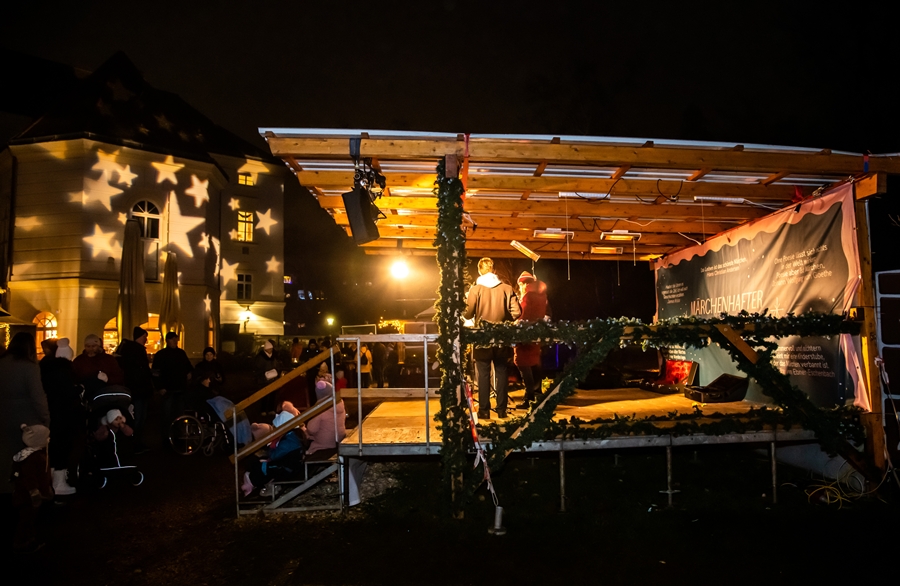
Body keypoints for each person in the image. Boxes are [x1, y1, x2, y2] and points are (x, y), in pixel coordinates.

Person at [1, 332, 52, 553]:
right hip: (27, 423)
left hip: (4, 420)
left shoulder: (2, 364)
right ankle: (25, 529)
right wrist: (45, 419)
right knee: (29, 467)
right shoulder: (30, 368)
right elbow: (38, 397)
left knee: (8, 464)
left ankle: (8, 495)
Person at [463, 257, 521, 419]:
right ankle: (502, 410)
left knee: (483, 374)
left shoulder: (475, 290)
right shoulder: (507, 288)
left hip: (482, 338)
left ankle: (484, 411)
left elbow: (467, 314)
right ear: (494, 270)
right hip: (502, 338)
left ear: (479, 271)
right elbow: (517, 312)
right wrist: (505, 320)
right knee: (501, 373)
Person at [39, 338, 81, 495]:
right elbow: (69, 393)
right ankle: (59, 482)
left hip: (50, 413)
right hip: (63, 413)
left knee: (52, 447)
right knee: (62, 446)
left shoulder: (44, 369)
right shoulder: (64, 372)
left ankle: (49, 480)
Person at [115, 326, 154, 453]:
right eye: (144, 337)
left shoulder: (130, 350)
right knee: (139, 417)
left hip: (137, 389)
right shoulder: (136, 351)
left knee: (139, 416)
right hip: (139, 389)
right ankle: (135, 442)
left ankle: (135, 441)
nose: (146, 340)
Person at [514, 271, 549, 408]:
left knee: (523, 363)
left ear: (524, 284)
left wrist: (516, 323)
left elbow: (523, 315)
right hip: (536, 333)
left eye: (520, 285)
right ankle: (536, 393)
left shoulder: (528, 296)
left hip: (525, 334)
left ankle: (529, 397)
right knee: (534, 363)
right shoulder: (542, 295)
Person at [153, 332, 193, 434]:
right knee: (167, 415)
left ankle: (176, 433)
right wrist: (160, 387)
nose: (175, 341)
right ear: (167, 340)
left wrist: (189, 373)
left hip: (180, 389)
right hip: (168, 390)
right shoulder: (161, 355)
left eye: (176, 339)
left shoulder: (181, 353)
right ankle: (167, 434)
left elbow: (189, 367)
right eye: (172, 339)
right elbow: (156, 373)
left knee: (179, 414)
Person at [254, 339, 281, 415]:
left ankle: (270, 409)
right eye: (269, 349)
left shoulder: (273, 356)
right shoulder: (260, 357)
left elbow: (277, 365)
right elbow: (258, 368)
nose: (271, 350)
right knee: (264, 395)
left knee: (272, 395)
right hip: (263, 379)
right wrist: (264, 374)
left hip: (272, 379)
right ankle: (263, 410)